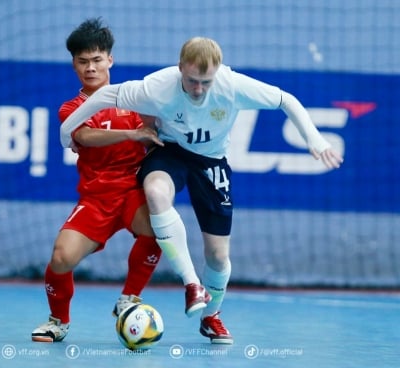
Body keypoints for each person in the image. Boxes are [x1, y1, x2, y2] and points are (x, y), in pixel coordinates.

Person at [59, 37, 344, 345]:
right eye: (192, 80)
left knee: (219, 256)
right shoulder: (157, 86)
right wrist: (66, 134)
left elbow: (286, 99)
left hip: (211, 162)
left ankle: (211, 317)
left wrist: (316, 141)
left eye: (205, 82)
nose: (198, 89)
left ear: (217, 72)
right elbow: (104, 97)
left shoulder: (233, 85)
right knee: (155, 192)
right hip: (171, 153)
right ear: (180, 68)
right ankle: (192, 283)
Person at [31, 18, 163, 343]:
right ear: (74, 65)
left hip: (133, 191)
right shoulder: (72, 108)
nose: (90, 67)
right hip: (96, 199)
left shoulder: (135, 99)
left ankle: (128, 298)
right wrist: (133, 134)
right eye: (82, 61)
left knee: (159, 227)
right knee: (61, 258)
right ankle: (57, 321)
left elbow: (159, 133)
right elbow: (86, 136)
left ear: (110, 60)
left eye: (96, 59)